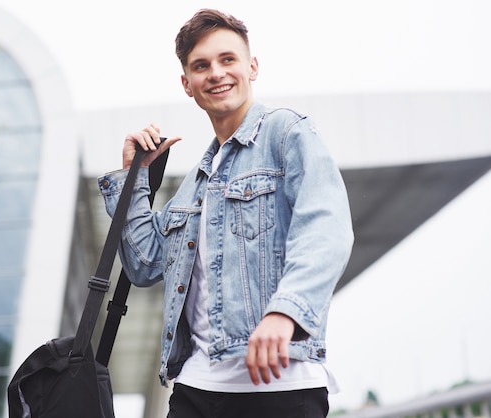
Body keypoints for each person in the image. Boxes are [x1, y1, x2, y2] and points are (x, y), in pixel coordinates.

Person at [98, 8, 354, 418]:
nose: (216, 73)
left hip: (281, 387)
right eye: (201, 66)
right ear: (187, 83)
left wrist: (285, 311)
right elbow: (144, 265)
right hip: (195, 389)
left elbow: (327, 230)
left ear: (252, 67)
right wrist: (133, 178)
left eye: (228, 59)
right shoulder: (198, 179)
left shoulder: (288, 132)